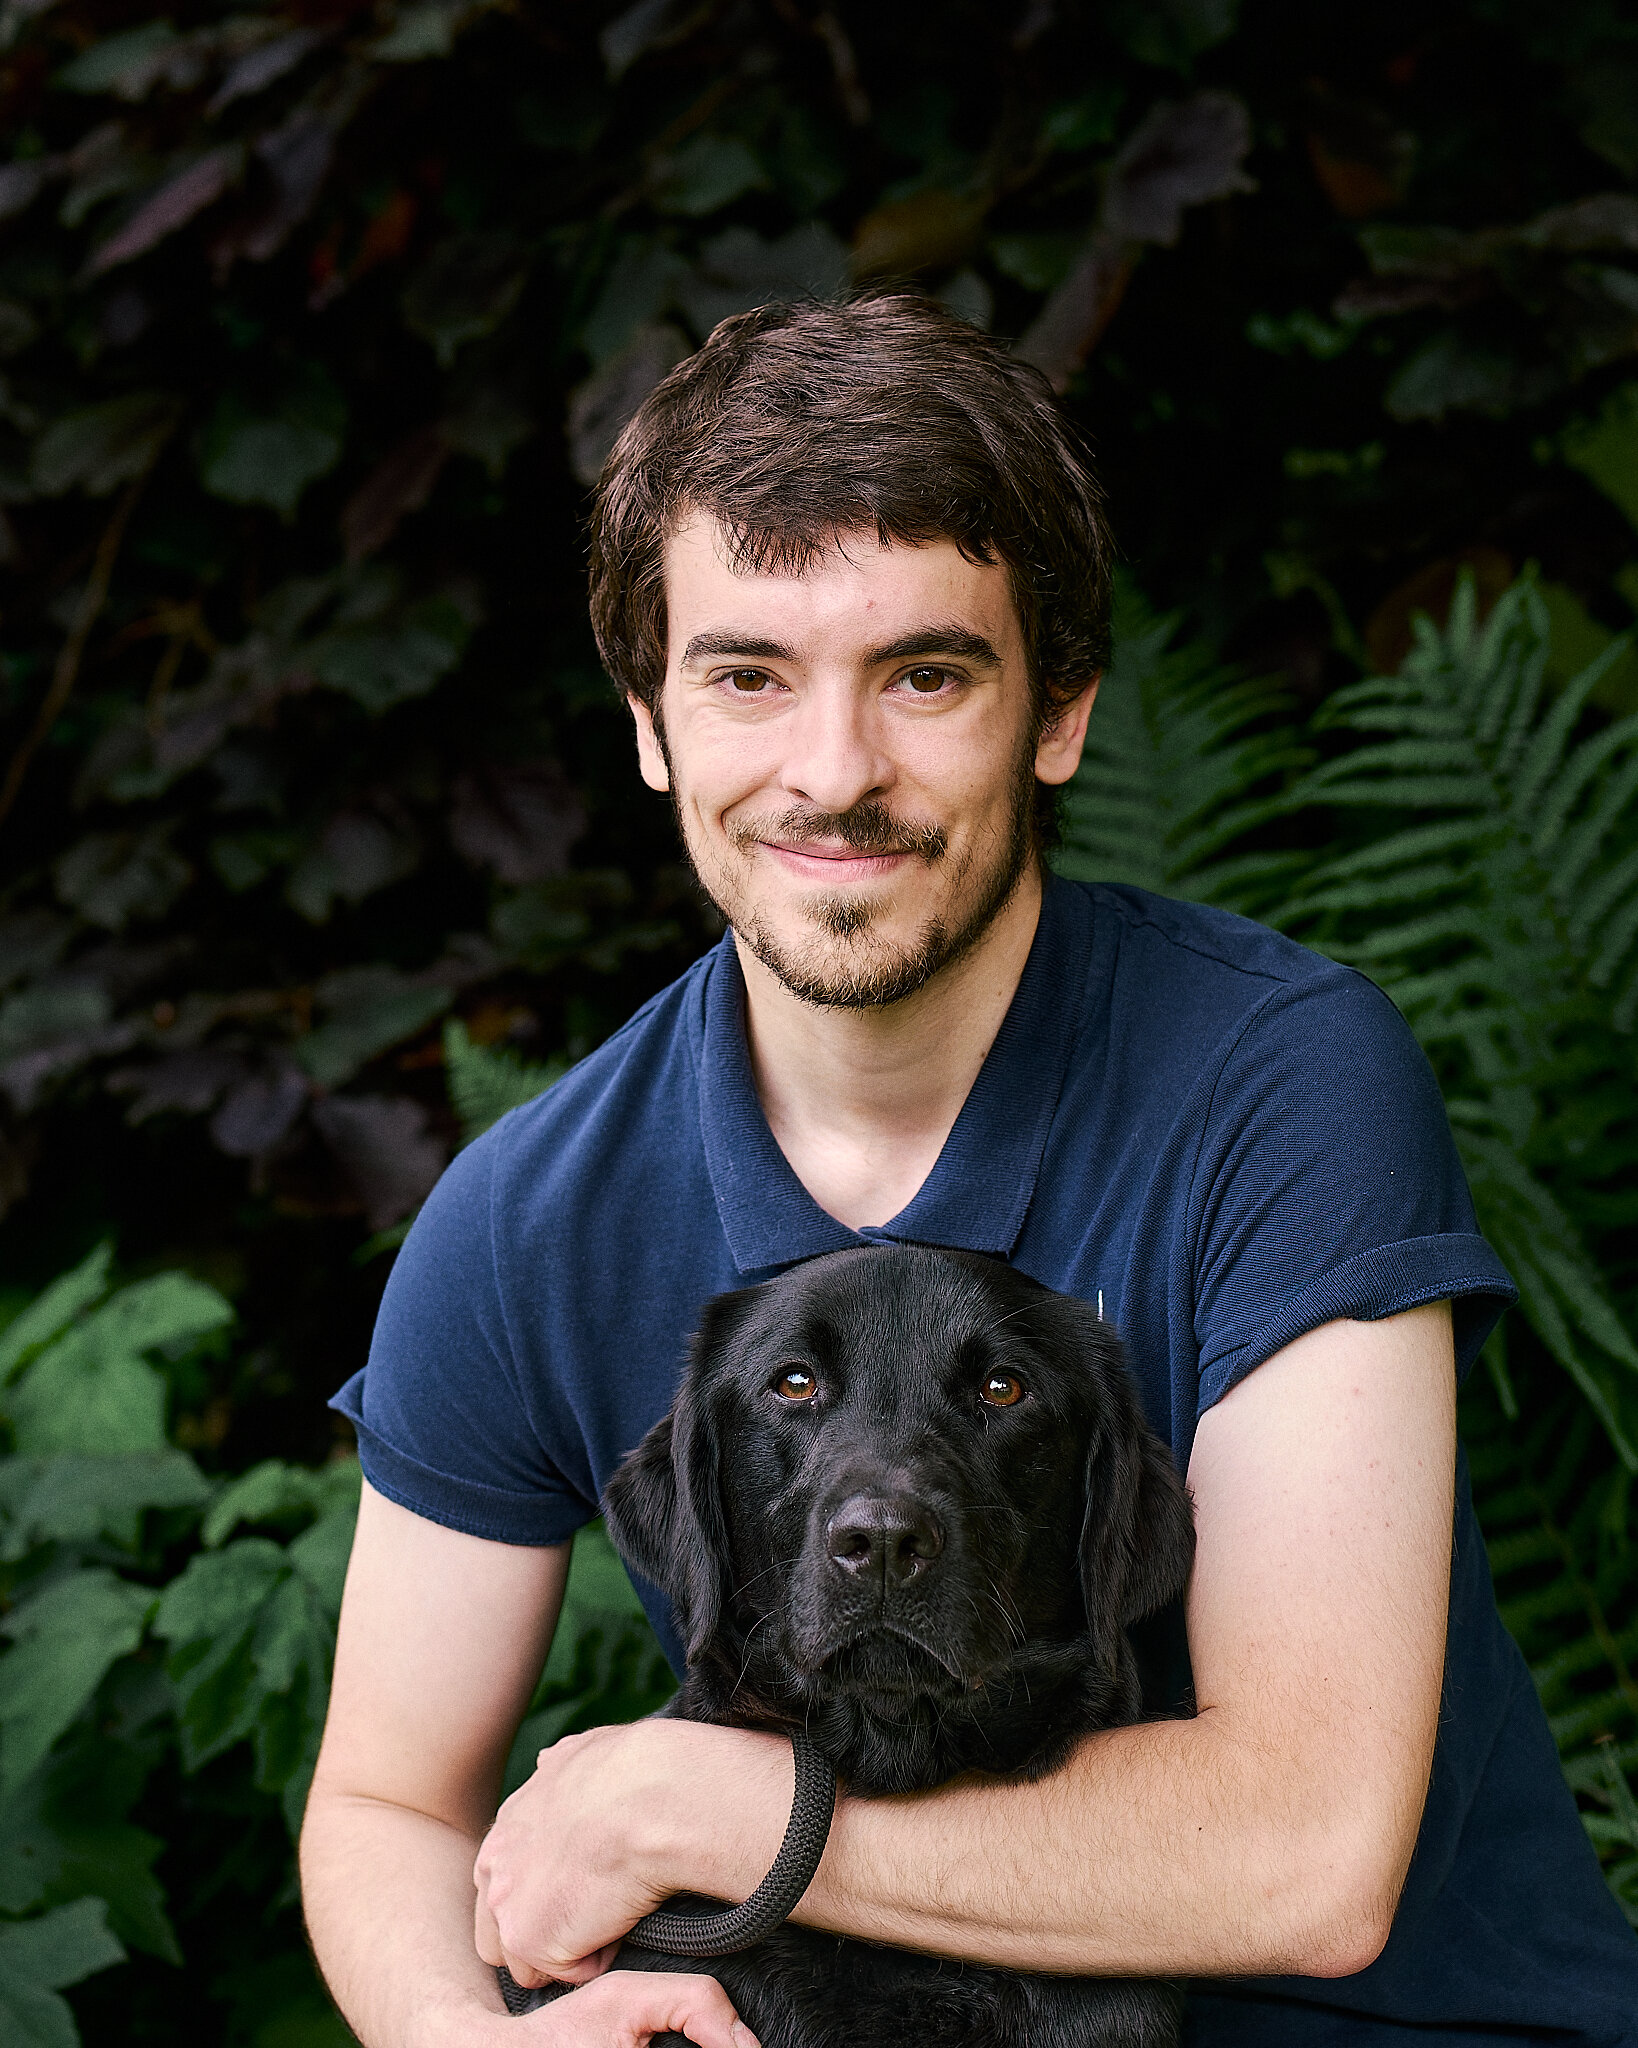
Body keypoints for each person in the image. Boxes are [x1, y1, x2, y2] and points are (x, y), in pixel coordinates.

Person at [300, 294, 1638, 2048]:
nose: (834, 772)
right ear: (650, 723)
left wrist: (716, 1819)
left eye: (923, 674)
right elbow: (385, 1806)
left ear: (1059, 713)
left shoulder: (1277, 1083)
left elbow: (1305, 1860)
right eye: (747, 677)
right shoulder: (527, 1218)